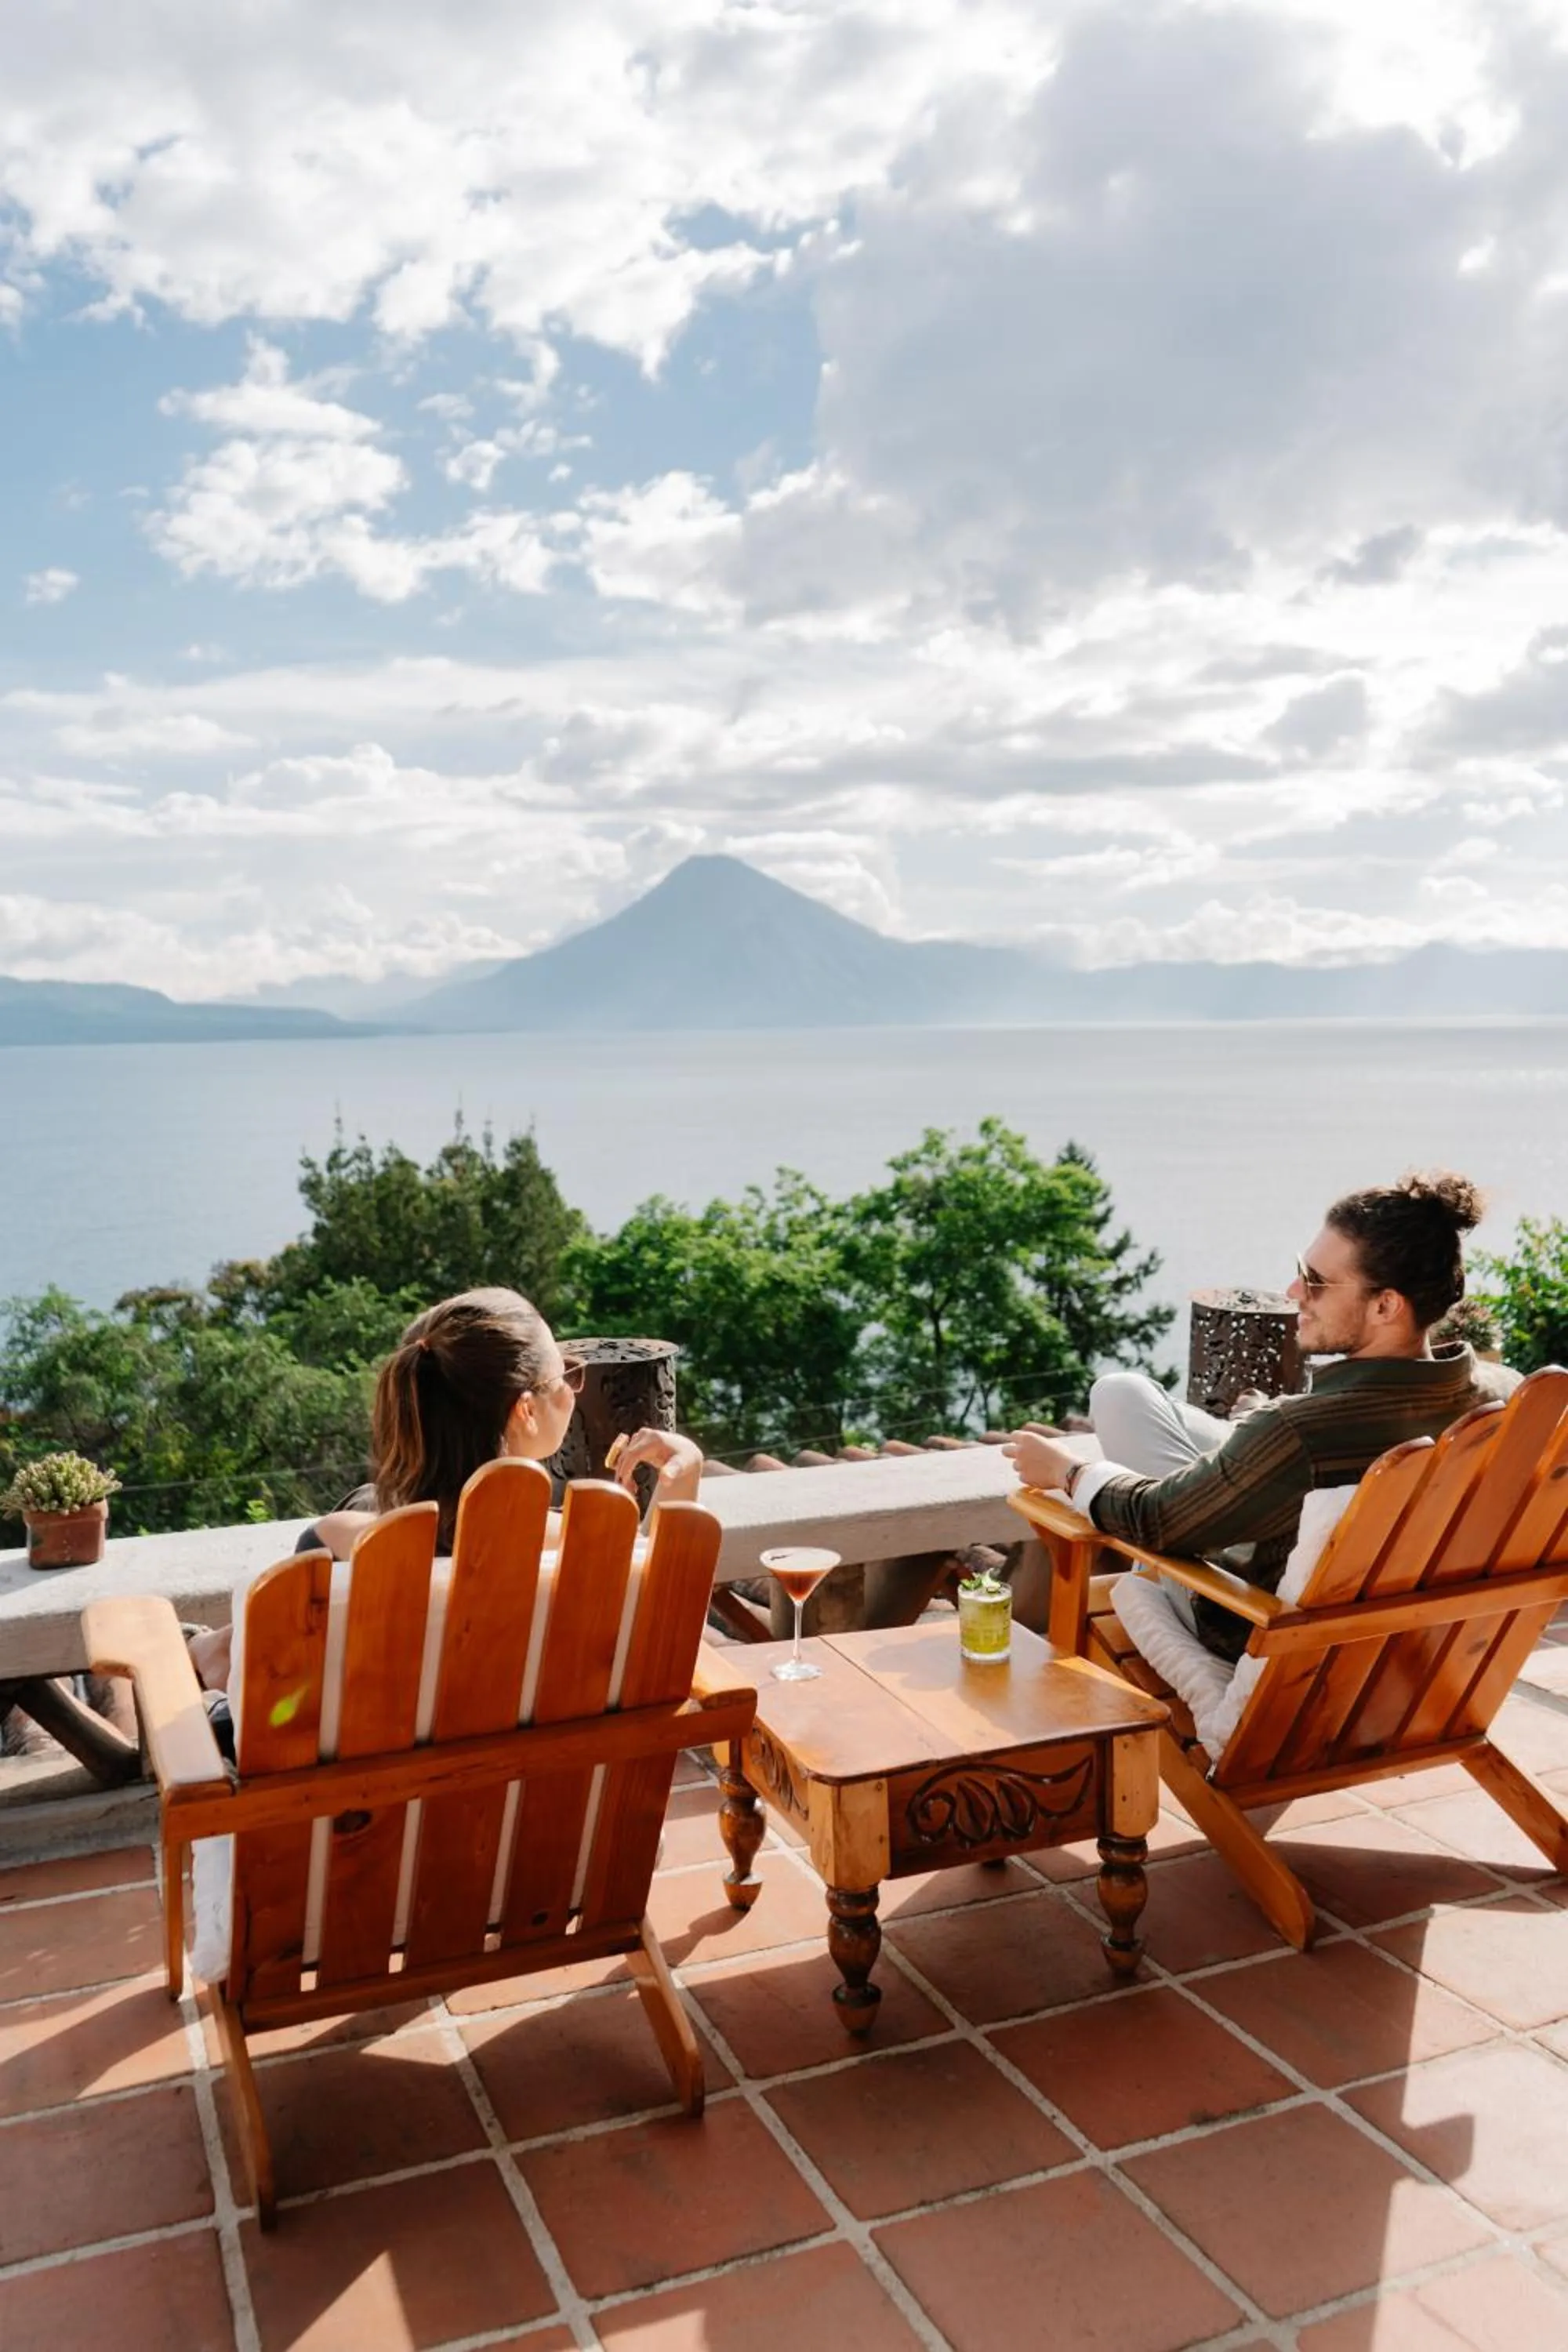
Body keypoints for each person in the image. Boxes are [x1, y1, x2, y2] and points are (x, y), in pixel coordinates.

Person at [1004, 1171, 1519, 1660]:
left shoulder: (1301, 1433)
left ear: (1386, 1306)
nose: (1294, 1292)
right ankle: (1233, 1453)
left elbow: (1157, 1519)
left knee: (1118, 1395)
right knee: (1130, 1396)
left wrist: (1065, 1472)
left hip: (1259, 1624)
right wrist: (1260, 1430)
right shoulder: (1503, 1398)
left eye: (1316, 1281)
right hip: (1411, 1646)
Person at [187, 1287, 702, 1708]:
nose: (574, 1389)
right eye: (566, 1374)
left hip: (369, 1823)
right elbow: (666, 1630)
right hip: (548, 1817)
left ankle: (206, 1648)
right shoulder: (585, 1547)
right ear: (525, 1410)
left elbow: (289, 1701)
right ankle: (211, 1647)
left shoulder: (343, 1543)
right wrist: (685, 1473)